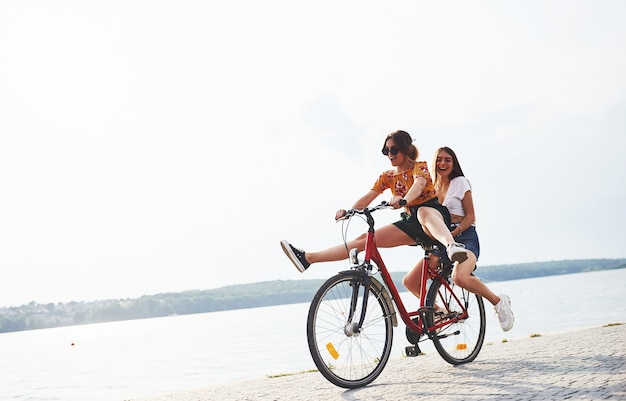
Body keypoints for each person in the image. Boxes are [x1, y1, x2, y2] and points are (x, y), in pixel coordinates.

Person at [280, 130, 467, 274]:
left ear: (405, 149)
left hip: (434, 216)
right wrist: (349, 211)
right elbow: (370, 196)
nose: (389, 154)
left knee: (423, 212)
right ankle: (308, 258)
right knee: (364, 239)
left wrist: (404, 200)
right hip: (411, 221)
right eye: (386, 150)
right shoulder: (387, 176)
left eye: (393, 150)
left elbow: (418, 185)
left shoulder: (421, 167)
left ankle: (452, 246)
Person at [402, 146, 514, 331]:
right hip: (442, 241)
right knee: (410, 281)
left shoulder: (460, 182)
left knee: (460, 277)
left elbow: (471, 216)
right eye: (439, 159)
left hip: (465, 236)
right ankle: (438, 311)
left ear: (454, 164)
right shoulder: (432, 188)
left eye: (447, 160)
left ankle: (499, 301)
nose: (442, 163)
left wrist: (452, 235)